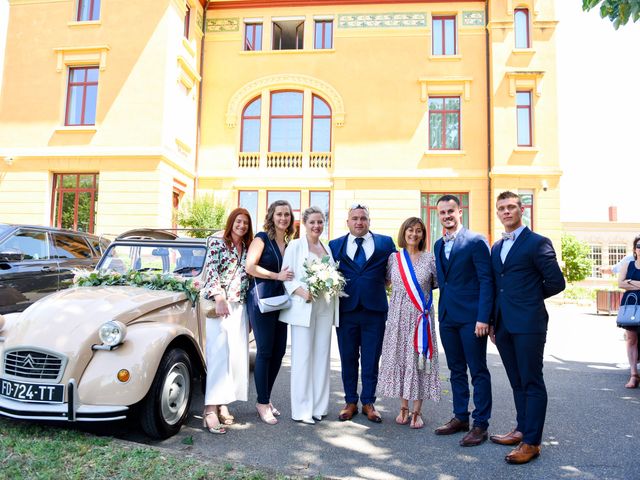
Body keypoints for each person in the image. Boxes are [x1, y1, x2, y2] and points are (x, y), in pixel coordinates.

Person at [489, 191, 565, 465]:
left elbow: (556, 282)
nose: (506, 211)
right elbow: (499, 287)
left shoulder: (537, 243)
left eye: (511, 207)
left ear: (522, 210)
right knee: (517, 381)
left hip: (529, 323)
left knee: (532, 381)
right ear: (498, 213)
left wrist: (528, 299)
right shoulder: (496, 247)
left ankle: (531, 442)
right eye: (501, 208)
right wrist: (494, 321)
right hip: (504, 325)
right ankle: (521, 429)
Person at [432, 195, 494, 446]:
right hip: (447, 317)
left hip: (472, 319)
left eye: (450, 211)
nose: (446, 215)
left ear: (460, 212)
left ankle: (481, 424)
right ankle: (460, 417)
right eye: (442, 212)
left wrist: (484, 318)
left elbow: (486, 281)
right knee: (456, 370)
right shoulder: (437, 245)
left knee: (477, 371)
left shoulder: (476, 241)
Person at [329, 203, 396, 422]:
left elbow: (393, 273)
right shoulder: (334, 245)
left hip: (374, 311)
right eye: (355, 218)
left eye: (363, 218)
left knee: (371, 358)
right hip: (346, 310)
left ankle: (368, 402)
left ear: (369, 221)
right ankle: (350, 401)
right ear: (347, 222)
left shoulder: (385, 244)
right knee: (348, 358)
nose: (359, 222)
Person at [378, 217, 440, 429]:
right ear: (403, 233)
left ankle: (417, 411)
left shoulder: (430, 259)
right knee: (401, 359)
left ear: (423, 235)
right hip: (397, 317)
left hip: (420, 318)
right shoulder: (394, 259)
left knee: (419, 360)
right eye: (410, 230)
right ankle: (403, 407)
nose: (414, 234)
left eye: (418, 231)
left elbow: (435, 284)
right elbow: (387, 282)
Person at [279, 207, 340, 424]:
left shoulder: (327, 248)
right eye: (313, 222)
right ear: (304, 223)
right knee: (303, 358)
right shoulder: (295, 246)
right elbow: (286, 276)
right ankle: (302, 409)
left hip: (324, 306)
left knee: (322, 356)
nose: (317, 226)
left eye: (320, 222)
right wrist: (301, 291)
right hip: (304, 306)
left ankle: (318, 407)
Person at [201, 208, 253, 434]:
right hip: (220, 306)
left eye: (245, 223)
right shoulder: (217, 243)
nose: (241, 225)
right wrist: (219, 297)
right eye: (238, 221)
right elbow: (211, 271)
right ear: (232, 222)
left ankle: (223, 403)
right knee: (218, 355)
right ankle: (209, 410)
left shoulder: (248, 248)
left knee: (235, 359)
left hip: (240, 307)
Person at [246, 200, 295, 425]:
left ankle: (267, 397)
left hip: (280, 302)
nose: (283, 218)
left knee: (278, 352)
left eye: (287, 214)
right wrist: (276, 276)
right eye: (279, 214)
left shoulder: (288, 243)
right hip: (262, 299)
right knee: (265, 351)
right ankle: (262, 402)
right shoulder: (261, 238)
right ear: (271, 216)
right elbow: (250, 266)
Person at [617, 234, 640, 388]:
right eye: (639, 246)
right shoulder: (628, 264)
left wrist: (630, 282)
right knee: (631, 339)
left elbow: (626, 282)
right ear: (635, 249)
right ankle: (634, 375)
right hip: (631, 306)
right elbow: (620, 283)